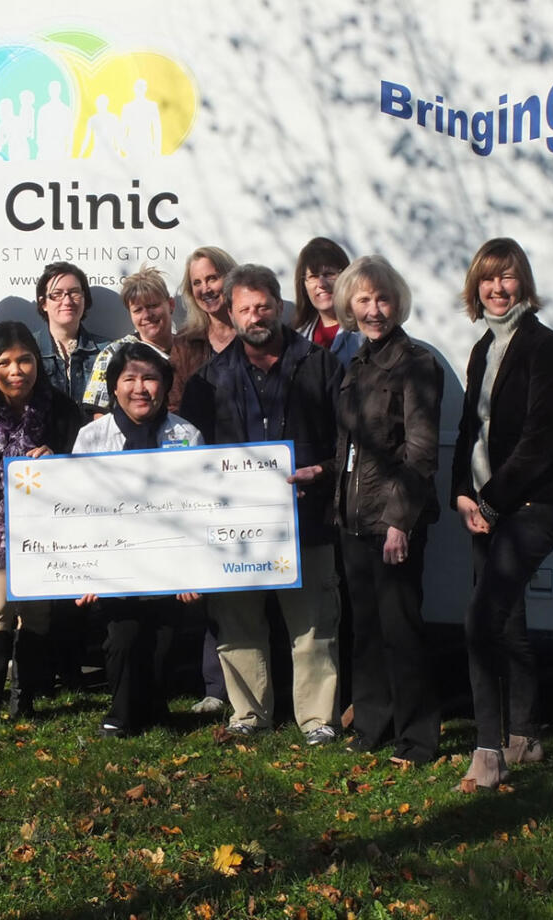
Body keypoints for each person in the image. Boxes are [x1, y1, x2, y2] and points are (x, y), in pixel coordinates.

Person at [179, 264, 344, 745]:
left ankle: (318, 720)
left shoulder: (319, 364)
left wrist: (324, 472)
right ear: (229, 312)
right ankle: (248, 713)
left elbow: (345, 441)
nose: (256, 316)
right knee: (238, 622)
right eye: (245, 308)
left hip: (307, 520)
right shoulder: (207, 380)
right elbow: (191, 458)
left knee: (313, 625)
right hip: (234, 529)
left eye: (264, 306)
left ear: (279, 306)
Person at [290, 256, 443, 762]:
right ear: (349, 307)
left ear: (397, 302)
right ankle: (372, 725)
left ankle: (418, 738)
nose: (374, 309)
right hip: (352, 520)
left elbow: (420, 452)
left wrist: (400, 521)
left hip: (393, 522)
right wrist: (323, 473)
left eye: (382, 299)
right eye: (363, 300)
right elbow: (351, 447)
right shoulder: (356, 364)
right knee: (367, 630)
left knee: (402, 631)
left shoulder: (416, 362)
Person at [451, 238, 553, 790]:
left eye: (507, 278)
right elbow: (468, 432)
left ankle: (487, 753)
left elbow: (539, 441)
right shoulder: (483, 347)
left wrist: (489, 501)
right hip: (487, 506)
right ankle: (524, 737)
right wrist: (461, 492)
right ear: (476, 288)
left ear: (523, 283)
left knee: (480, 621)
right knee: (508, 622)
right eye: (487, 279)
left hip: (529, 506)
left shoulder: (544, 346)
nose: (497, 289)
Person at [0, 322, 83, 731]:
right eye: (4, 362)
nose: (16, 370)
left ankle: (24, 699)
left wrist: (56, 459)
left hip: (47, 531)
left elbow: (84, 471)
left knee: (38, 613)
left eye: (25, 360)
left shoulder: (59, 408)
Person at [73, 343, 203, 736]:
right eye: (129, 379)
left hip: (168, 563)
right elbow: (76, 508)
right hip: (113, 564)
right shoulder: (92, 437)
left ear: (164, 386)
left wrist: (190, 572)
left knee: (163, 640)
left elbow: (198, 508)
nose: (140, 388)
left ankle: (155, 707)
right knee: (125, 637)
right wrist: (85, 572)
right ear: (114, 388)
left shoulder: (187, 435)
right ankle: (121, 715)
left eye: (149, 378)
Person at [174, 246, 238, 714]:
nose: (207, 288)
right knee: (212, 586)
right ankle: (216, 688)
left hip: (252, 478)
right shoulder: (184, 346)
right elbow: (174, 413)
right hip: (199, 480)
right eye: (197, 283)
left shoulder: (256, 334)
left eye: (213, 277)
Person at [81, 264, 208, 416]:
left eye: (153, 305)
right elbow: (99, 416)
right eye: (138, 310)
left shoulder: (193, 349)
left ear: (171, 305)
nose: (147, 315)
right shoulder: (113, 354)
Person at [31, 261, 111, 408]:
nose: (67, 301)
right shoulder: (28, 349)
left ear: (84, 299)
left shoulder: (107, 351)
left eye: (74, 292)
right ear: (43, 303)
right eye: (57, 294)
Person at [292, 237, 361, 367]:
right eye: (313, 276)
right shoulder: (297, 339)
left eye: (329, 274)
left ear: (345, 278)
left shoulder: (364, 333)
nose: (321, 284)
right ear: (304, 285)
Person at [177, 246, 238, 357]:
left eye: (212, 278)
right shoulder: (185, 343)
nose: (205, 290)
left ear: (232, 278)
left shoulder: (254, 331)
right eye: (197, 283)